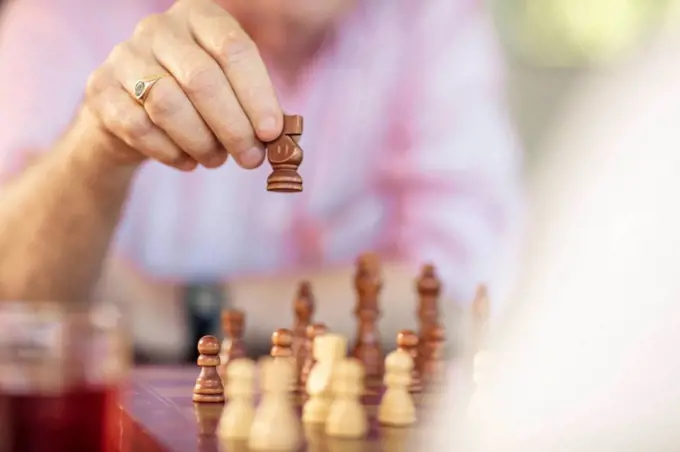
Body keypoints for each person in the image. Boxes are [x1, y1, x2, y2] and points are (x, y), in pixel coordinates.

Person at [0, 0, 522, 360]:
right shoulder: (67, 16)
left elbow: (460, 292)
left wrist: (183, 311)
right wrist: (97, 146)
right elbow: (16, 292)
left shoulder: (430, 19)